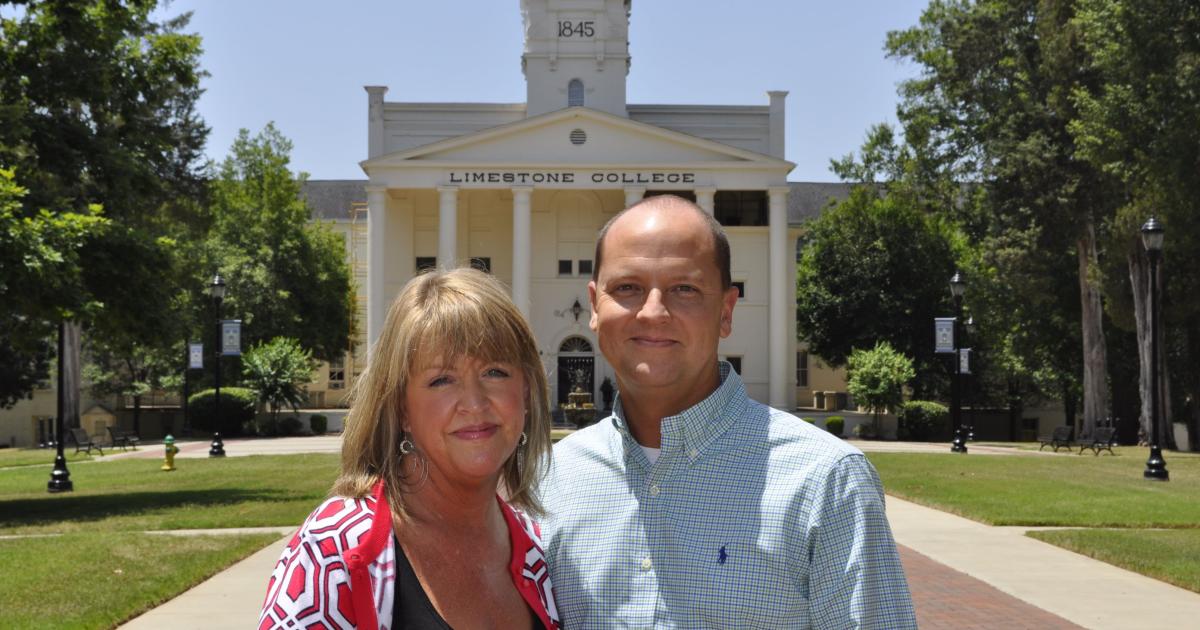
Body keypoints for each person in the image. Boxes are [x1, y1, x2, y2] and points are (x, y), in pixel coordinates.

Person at [539, 195, 916, 628]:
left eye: (685, 289)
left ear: (725, 311)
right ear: (594, 306)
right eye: (627, 287)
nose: (653, 311)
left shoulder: (826, 482)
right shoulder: (550, 479)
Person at [261, 268, 561, 629]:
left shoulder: (535, 548)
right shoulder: (337, 548)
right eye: (441, 380)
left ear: (525, 393)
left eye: (495, 372)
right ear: (402, 409)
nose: (475, 402)